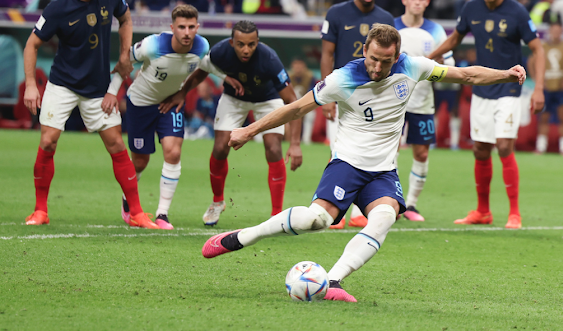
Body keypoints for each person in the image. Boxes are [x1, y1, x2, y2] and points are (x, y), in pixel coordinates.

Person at [202, 24, 527, 302]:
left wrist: (507, 74)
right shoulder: (342, 79)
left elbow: (466, 75)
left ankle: (332, 281)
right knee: (315, 221)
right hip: (347, 164)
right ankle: (244, 236)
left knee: (386, 216)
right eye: (373, 59)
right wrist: (249, 129)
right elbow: (296, 109)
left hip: (383, 170)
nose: (377, 67)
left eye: (385, 61)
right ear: (364, 51)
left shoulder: (413, 67)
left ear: (396, 56)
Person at [22, 0, 156, 229]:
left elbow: (126, 17)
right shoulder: (58, 8)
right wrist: (32, 86)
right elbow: (31, 44)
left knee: (117, 145)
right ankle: (40, 211)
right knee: (48, 142)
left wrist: (123, 54)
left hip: (97, 88)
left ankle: (137, 214)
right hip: (62, 85)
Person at [429, 0, 545, 229]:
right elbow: (454, 40)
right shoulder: (471, 8)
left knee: (504, 145)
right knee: (481, 150)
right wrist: (426, 59)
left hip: (509, 87)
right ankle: (483, 212)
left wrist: (538, 88)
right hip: (481, 88)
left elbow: (538, 49)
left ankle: (514, 213)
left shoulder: (516, 11)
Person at [160, 21, 303, 226]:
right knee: (220, 148)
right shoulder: (219, 52)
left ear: (257, 42)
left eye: (251, 45)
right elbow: (201, 71)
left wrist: (296, 143)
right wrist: (182, 93)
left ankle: (276, 215)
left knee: (273, 148)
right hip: (234, 99)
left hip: (268, 100)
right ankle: (217, 202)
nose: (246, 50)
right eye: (240, 44)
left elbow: (292, 102)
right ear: (231, 42)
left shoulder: (270, 59)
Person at [113, 5, 240, 230]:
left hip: (170, 104)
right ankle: (128, 200)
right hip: (140, 104)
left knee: (173, 152)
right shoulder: (153, 45)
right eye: (181, 27)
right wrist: (111, 92)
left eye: (192, 27)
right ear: (172, 28)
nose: (187, 32)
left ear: (197, 27)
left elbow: (206, 62)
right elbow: (125, 61)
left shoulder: (201, 45)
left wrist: (226, 77)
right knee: (140, 161)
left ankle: (163, 214)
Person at [320, 0, 395, 229]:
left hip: (375, 97)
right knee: (339, 152)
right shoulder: (337, 13)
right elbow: (327, 53)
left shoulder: (386, 18)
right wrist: (328, 96)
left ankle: (358, 213)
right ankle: (334, 209)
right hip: (343, 95)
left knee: (370, 153)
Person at [394, 0, 452, 222]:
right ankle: (391, 202)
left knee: (421, 153)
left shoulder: (436, 31)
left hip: (422, 101)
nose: (417, 1)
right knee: (389, 152)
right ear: (404, 0)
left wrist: (439, 62)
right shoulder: (391, 26)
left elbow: (450, 64)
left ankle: (412, 205)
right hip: (393, 102)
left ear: (427, 2)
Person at [531, 20, 563, 155]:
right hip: (546, 89)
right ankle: (541, 147)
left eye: (558, 30)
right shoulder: (542, 46)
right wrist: (538, 80)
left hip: (561, 88)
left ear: (561, 32)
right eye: (553, 30)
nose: (555, 33)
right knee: (543, 117)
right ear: (549, 31)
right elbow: (531, 62)